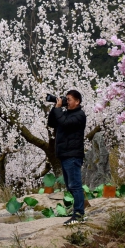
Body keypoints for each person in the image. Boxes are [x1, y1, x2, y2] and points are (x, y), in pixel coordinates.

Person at [48, 89, 87, 226]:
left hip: (73, 155)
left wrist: (59, 110)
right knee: (71, 186)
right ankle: (79, 210)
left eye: (69, 99)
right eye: (66, 99)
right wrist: (55, 107)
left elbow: (64, 123)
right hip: (65, 155)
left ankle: (79, 214)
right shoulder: (64, 114)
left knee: (75, 185)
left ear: (77, 101)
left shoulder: (79, 115)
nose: (66, 101)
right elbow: (52, 123)